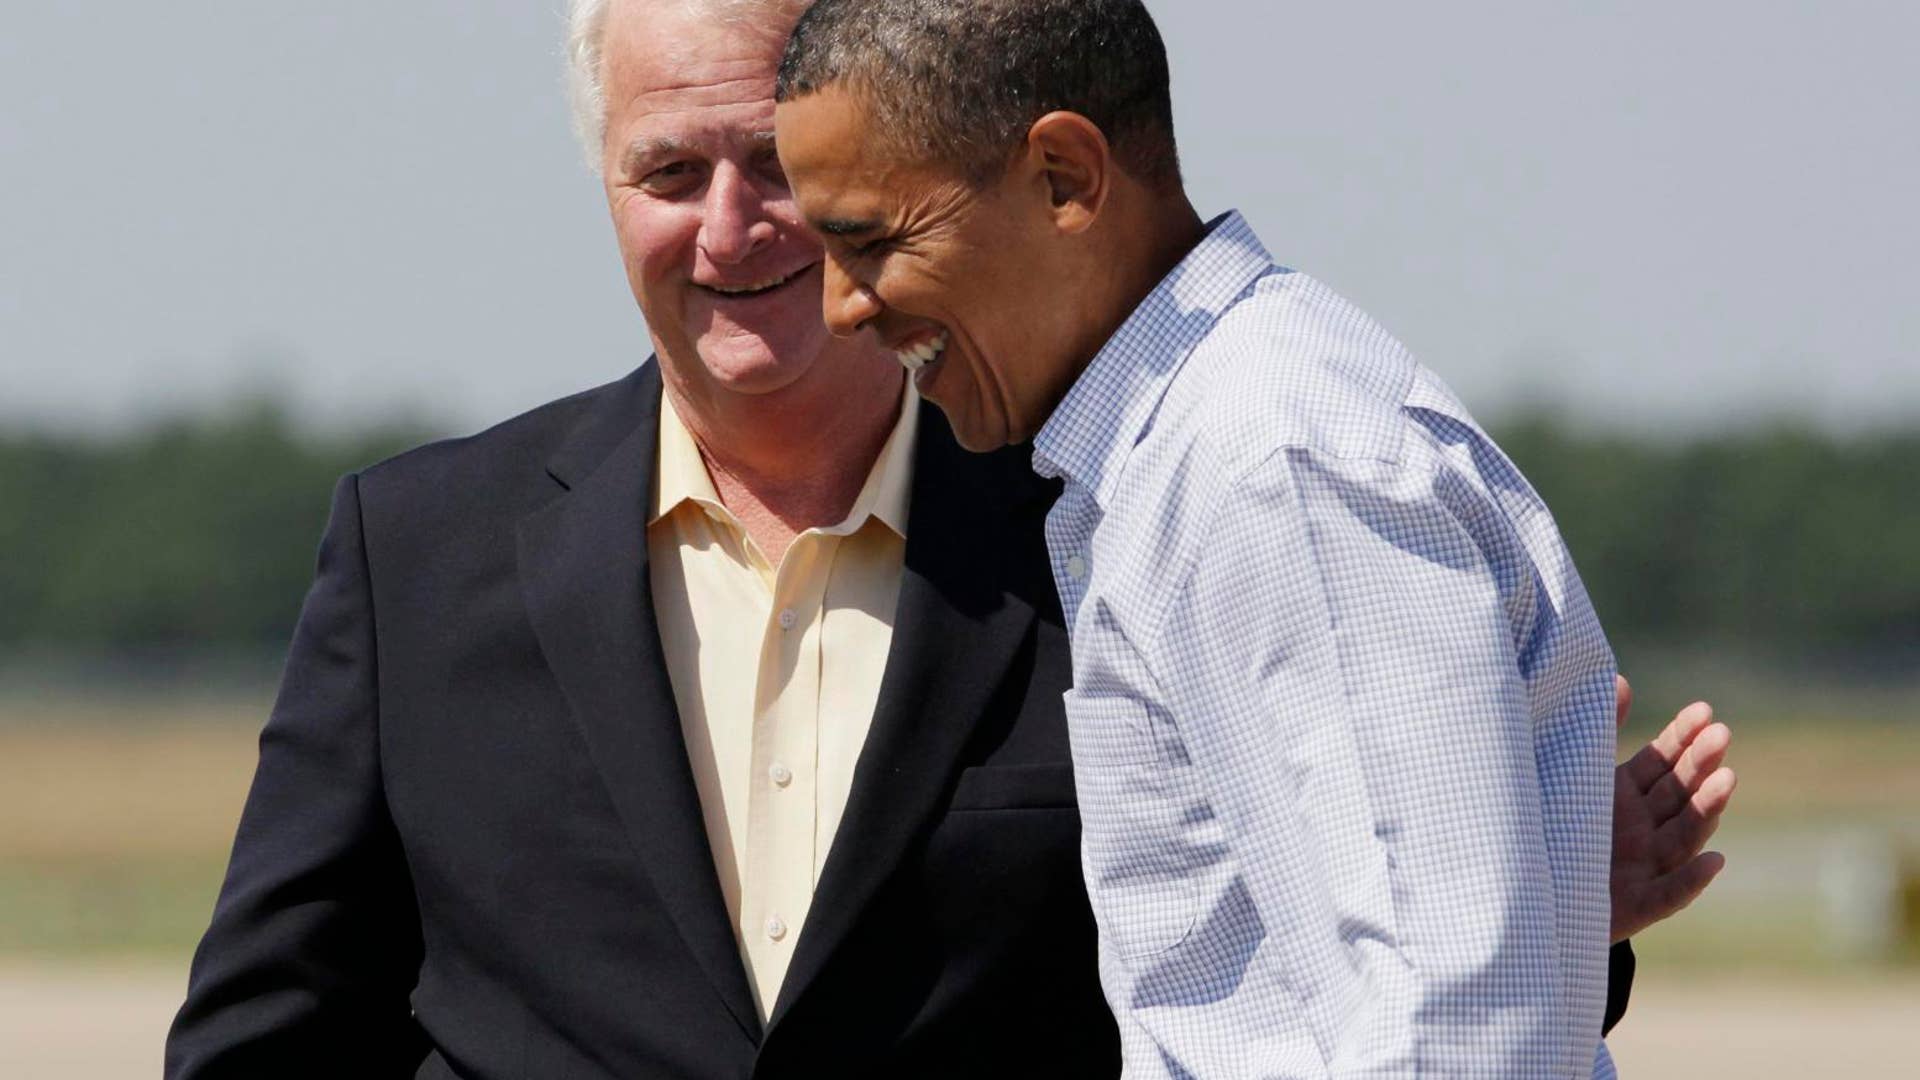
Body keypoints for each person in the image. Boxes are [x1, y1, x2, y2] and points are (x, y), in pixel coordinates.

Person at [165, 1, 1734, 1077]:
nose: (743, 237)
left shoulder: (1175, 491)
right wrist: (1509, 886)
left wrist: (1517, 894)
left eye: (805, 188)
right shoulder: (418, 552)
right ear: (600, 183)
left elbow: (1433, 1022)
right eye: (666, 172)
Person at [773, 1, 1722, 1076]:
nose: (842, 307)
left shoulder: (1269, 465)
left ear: (1064, 179)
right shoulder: (1179, 456)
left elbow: (1448, 1037)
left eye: (870, 242)